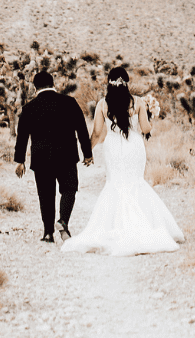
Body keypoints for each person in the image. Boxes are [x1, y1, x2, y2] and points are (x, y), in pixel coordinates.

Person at [62, 66, 184, 256]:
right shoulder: (138, 102)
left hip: (113, 148)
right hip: (134, 147)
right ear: (127, 82)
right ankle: (144, 225)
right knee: (136, 182)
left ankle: (114, 226)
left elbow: (96, 133)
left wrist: (88, 152)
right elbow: (144, 128)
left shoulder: (103, 104)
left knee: (115, 183)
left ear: (109, 83)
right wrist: (151, 117)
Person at [13, 70, 93, 243]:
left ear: (35, 88)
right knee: (69, 189)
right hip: (67, 155)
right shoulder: (69, 102)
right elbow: (82, 129)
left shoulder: (29, 108)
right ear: (53, 84)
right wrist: (87, 154)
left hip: (41, 158)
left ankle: (48, 232)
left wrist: (20, 161)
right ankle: (63, 221)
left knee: (46, 195)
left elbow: (22, 136)